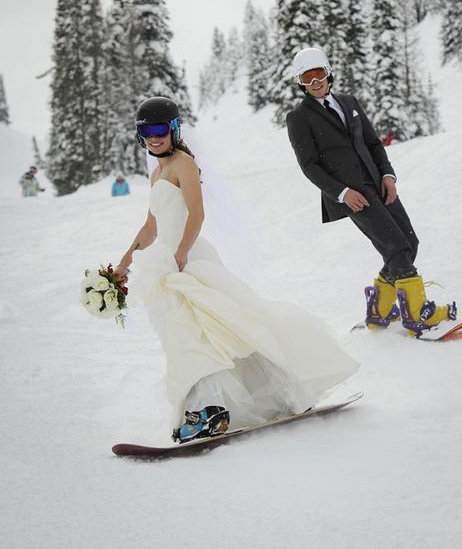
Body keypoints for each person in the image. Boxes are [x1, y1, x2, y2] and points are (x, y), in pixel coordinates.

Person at [114, 96, 358, 444]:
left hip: (190, 260)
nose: (154, 138)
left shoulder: (183, 163)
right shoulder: (157, 173)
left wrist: (181, 253)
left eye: (159, 130)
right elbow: (151, 227)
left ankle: (223, 408)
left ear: (173, 129)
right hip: (169, 264)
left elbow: (196, 213)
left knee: (217, 329)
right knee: (194, 335)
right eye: (146, 131)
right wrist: (125, 261)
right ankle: (221, 406)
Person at [285, 47, 456, 336]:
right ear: (300, 82)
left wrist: (387, 174)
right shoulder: (299, 117)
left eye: (319, 74)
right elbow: (309, 165)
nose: (315, 82)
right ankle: (418, 314)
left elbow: (373, 143)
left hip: (378, 182)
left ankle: (379, 309)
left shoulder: (349, 102)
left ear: (329, 73)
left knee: (409, 243)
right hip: (353, 195)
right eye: (307, 77)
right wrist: (341, 193)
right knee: (395, 247)